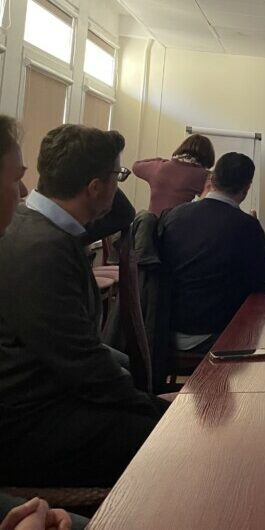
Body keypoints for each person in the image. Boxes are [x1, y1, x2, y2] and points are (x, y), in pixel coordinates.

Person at [0, 124, 167, 488]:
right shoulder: (42, 250)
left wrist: (105, 174)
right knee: (168, 441)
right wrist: (153, 407)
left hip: (44, 394)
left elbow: (120, 212)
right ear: (94, 187)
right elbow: (81, 364)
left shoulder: (38, 222)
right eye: (117, 177)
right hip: (28, 422)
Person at [159, 152, 265, 354]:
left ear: (211, 179)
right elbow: (262, 281)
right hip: (213, 334)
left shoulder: (174, 215)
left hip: (164, 330)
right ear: (246, 188)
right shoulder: (246, 226)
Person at [131, 134, 215, 215]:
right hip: (180, 223)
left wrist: (160, 160)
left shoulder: (159, 167)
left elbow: (136, 166)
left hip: (152, 223)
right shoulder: (205, 176)